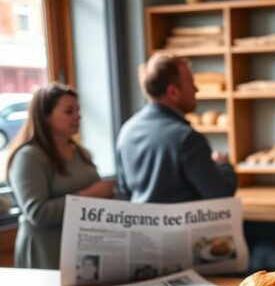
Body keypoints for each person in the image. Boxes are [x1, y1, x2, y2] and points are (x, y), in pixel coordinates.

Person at [6, 83, 114, 269]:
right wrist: (90, 194)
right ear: (46, 117)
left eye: (78, 110)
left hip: (82, 249)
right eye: (69, 111)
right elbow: (37, 213)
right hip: (47, 253)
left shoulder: (79, 152)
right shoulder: (29, 157)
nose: (77, 116)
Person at [116, 53, 236, 203]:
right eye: (191, 83)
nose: (196, 89)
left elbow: (125, 190)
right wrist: (224, 165)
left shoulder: (126, 131)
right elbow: (220, 196)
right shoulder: (187, 138)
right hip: (184, 226)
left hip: (141, 225)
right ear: (173, 92)